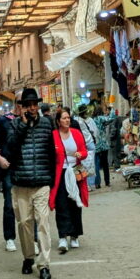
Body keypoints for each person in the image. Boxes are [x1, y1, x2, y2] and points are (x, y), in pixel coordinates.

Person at [6, 88, 55, 279]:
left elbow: (52, 152)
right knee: (24, 223)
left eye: (35, 104)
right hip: (20, 184)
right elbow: (10, 150)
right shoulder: (15, 125)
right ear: (22, 107)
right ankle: (28, 257)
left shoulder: (47, 124)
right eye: (28, 105)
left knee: (42, 222)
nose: (33, 108)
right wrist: (23, 127)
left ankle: (44, 264)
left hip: (42, 183)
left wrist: (51, 178)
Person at [50, 108, 88, 253]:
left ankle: (75, 235)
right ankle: (62, 236)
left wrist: (81, 154)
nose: (67, 120)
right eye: (64, 118)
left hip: (75, 172)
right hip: (60, 174)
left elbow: (84, 151)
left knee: (75, 204)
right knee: (61, 205)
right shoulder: (53, 135)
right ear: (58, 121)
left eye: (68, 118)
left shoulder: (76, 133)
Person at [0, 99, 22, 251]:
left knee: (30, 204)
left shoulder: (33, 119)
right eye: (22, 102)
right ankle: (9, 237)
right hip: (9, 167)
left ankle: (33, 238)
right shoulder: (4, 120)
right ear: (16, 103)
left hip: (27, 168)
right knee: (9, 203)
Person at [77, 104, 98, 189]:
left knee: (84, 164)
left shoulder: (77, 121)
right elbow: (95, 131)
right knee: (91, 164)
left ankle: (86, 185)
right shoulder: (90, 120)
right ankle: (92, 183)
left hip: (82, 145)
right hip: (90, 143)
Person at [93, 104, 114, 188]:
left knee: (96, 164)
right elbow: (111, 119)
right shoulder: (101, 118)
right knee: (105, 164)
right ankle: (107, 181)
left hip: (96, 143)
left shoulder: (92, 120)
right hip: (104, 143)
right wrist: (111, 110)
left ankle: (97, 183)